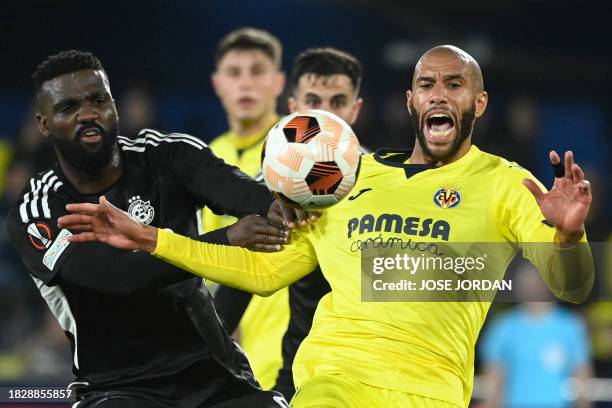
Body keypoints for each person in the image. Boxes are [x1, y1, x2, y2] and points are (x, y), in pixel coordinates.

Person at [60, 45, 595, 408]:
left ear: (477, 103)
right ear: (410, 101)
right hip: (330, 382)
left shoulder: (506, 183)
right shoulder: (344, 178)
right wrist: (153, 238)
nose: (438, 93)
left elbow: (572, 286)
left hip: (427, 390)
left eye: (453, 85)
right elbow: (266, 269)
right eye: (426, 84)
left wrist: (569, 237)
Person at [7, 50, 290, 407]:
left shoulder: (169, 156)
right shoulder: (39, 208)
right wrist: (226, 240)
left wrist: (282, 206)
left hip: (217, 375)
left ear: (114, 106)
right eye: (69, 108)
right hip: (117, 387)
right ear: (44, 124)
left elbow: (248, 195)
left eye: (98, 100)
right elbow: (115, 279)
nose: (88, 114)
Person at [214, 46, 365, 399]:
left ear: (355, 110)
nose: (326, 116)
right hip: (284, 374)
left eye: (338, 102)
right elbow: (235, 283)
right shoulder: (265, 193)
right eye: (314, 101)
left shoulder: (384, 189)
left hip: (365, 377)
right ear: (293, 108)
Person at [202, 27, 290, 391]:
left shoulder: (301, 151)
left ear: (279, 81)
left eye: (257, 71)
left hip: (294, 340)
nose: (246, 84)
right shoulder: (203, 158)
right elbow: (204, 258)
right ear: (218, 83)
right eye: (235, 73)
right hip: (230, 349)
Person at [481, 261, 592, 408]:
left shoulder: (570, 326)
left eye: (539, 282)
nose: (534, 287)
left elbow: (581, 373)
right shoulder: (504, 326)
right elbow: (493, 377)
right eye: (528, 282)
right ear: (519, 287)